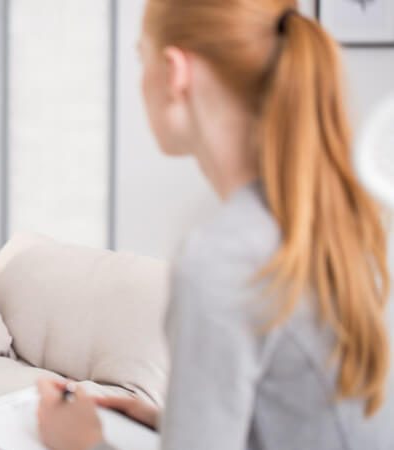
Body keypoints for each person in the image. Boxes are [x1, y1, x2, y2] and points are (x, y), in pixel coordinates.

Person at [37, 1, 394, 449]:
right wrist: (173, 421)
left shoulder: (222, 258)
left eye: (140, 57)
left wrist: (79, 443)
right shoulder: (339, 220)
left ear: (174, 71)